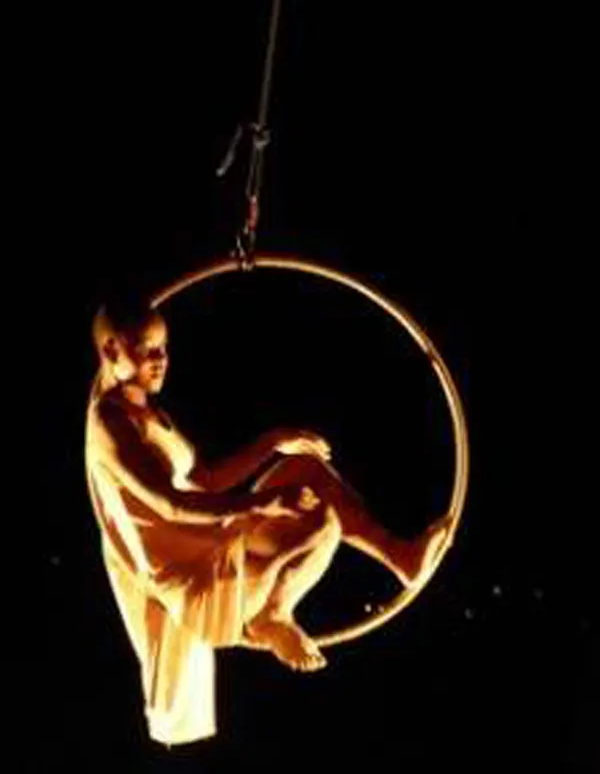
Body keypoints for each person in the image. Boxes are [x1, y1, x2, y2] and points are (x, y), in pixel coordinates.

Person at [85, 297, 453, 744]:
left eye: (164, 347)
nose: (161, 359)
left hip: (208, 535)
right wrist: (264, 504)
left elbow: (207, 479)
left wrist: (275, 441)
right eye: (147, 349)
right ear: (111, 350)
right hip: (192, 576)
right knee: (322, 523)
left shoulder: (148, 412)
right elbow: (171, 506)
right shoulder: (109, 423)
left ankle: (401, 557)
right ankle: (271, 615)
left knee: (308, 469)